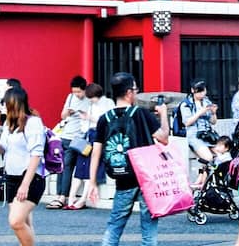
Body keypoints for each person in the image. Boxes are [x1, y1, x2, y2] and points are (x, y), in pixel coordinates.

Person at [92, 72, 170, 246]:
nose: (136, 92)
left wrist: (92, 182)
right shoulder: (141, 114)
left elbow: (96, 152)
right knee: (149, 227)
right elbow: (164, 138)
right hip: (146, 178)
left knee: (115, 225)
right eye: (135, 89)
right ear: (129, 92)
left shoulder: (104, 119)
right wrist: (163, 114)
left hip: (123, 179)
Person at [0, 83, 47, 246]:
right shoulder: (9, 124)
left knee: (15, 221)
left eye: (5, 104)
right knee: (24, 222)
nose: (2, 108)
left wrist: (25, 185)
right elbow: (5, 148)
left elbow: (36, 154)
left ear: (13, 104)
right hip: (11, 176)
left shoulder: (33, 122)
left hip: (30, 177)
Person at [67, 79, 113, 209]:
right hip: (88, 135)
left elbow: (106, 121)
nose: (90, 100)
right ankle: (71, 198)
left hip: (99, 136)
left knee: (89, 167)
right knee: (80, 166)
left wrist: (89, 118)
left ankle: (82, 199)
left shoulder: (107, 103)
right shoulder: (91, 104)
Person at [50, 76, 92, 207]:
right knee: (61, 166)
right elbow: (62, 116)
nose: (76, 94)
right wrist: (68, 112)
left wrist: (82, 113)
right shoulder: (70, 97)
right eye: (74, 92)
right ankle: (59, 195)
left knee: (67, 165)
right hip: (65, 136)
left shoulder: (90, 100)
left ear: (84, 90)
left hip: (77, 138)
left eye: (79, 92)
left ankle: (63, 196)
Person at [177, 80, 218, 164]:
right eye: (199, 91)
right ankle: (204, 172)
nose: (202, 94)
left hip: (208, 135)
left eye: (203, 91)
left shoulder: (207, 102)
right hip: (194, 136)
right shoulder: (186, 104)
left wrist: (213, 113)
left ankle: (208, 172)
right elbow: (187, 122)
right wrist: (200, 112)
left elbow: (213, 122)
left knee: (222, 155)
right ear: (193, 90)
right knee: (209, 157)